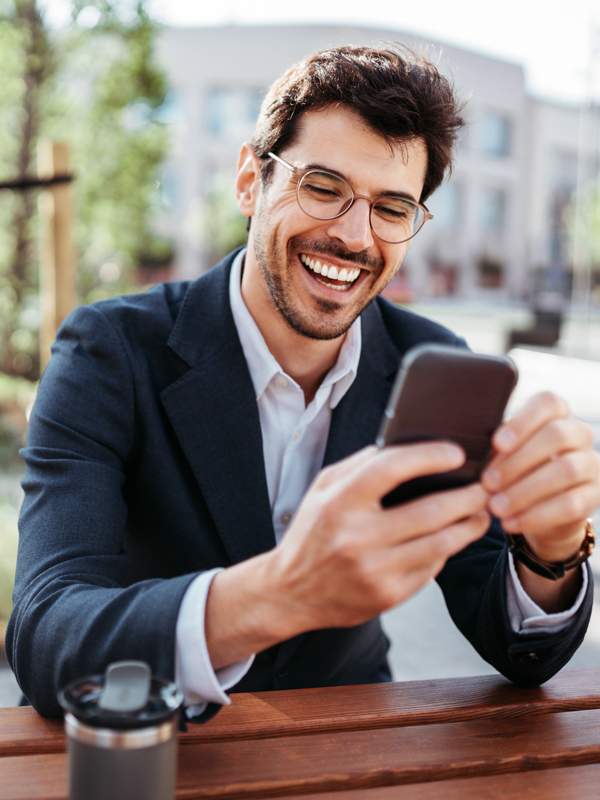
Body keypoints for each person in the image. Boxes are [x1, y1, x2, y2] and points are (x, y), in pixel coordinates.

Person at [7, 46, 599, 719]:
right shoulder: (106, 351)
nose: (353, 236)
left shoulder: (431, 363)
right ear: (249, 181)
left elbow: (520, 651)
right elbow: (47, 635)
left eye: (392, 208)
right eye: (323, 187)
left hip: (345, 750)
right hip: (144, 746)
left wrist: (550, 553)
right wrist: (276, 594)